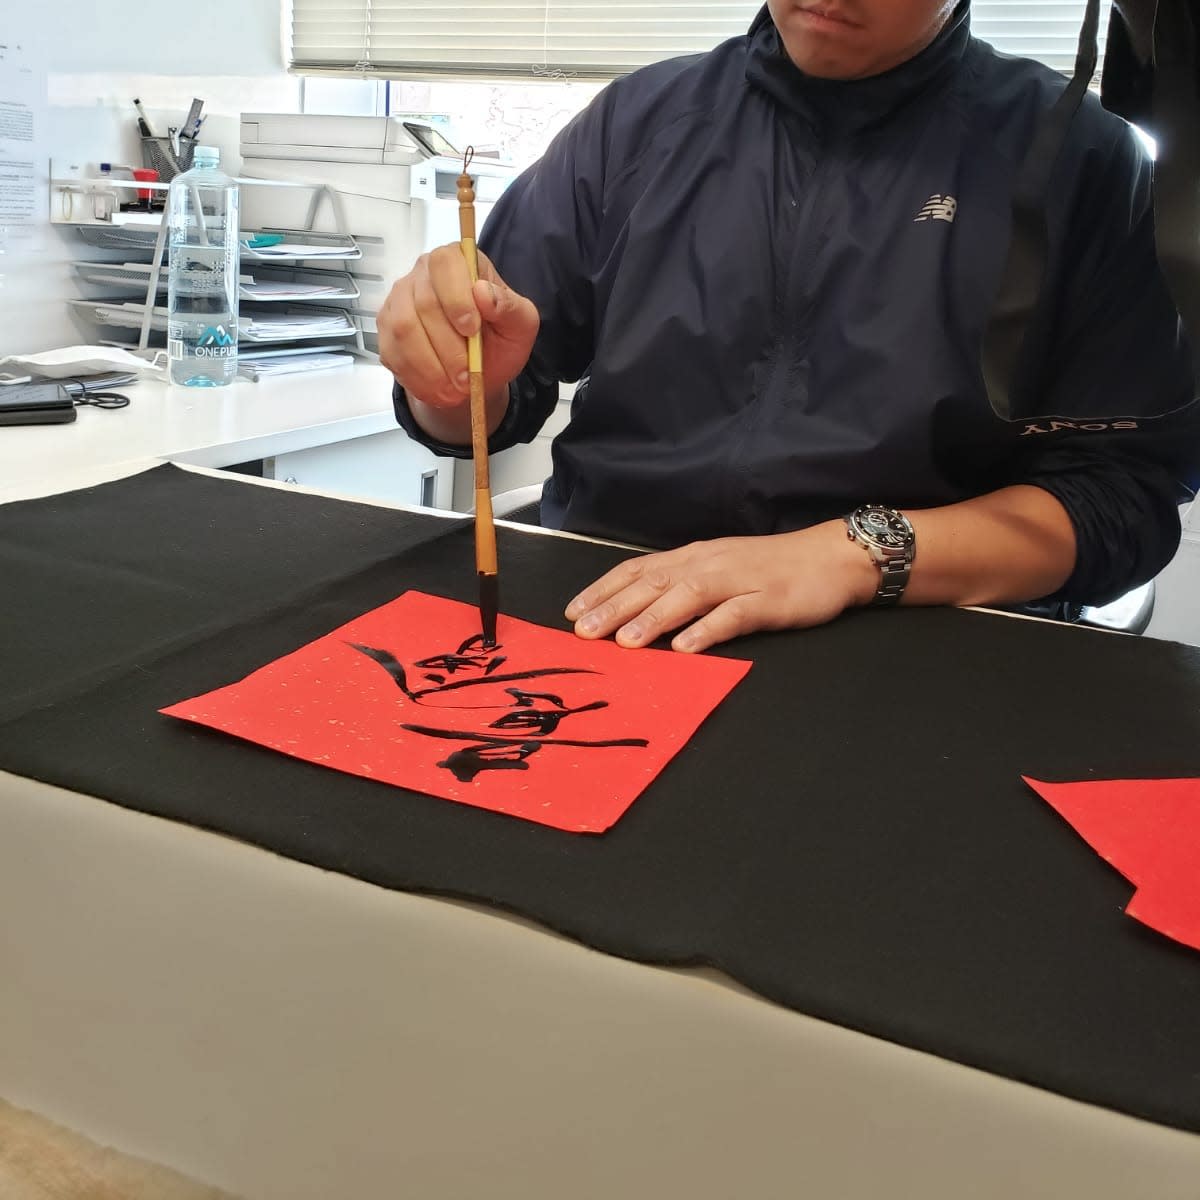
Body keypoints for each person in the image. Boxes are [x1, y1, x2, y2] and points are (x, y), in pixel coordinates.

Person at [379, 0, 1200, 654]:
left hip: (909, 646)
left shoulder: (1080, 161)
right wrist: (448, 379)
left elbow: (1118, 499)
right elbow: (484, 406)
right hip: (611, 603)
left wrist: (852, 555)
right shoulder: (638, 122)